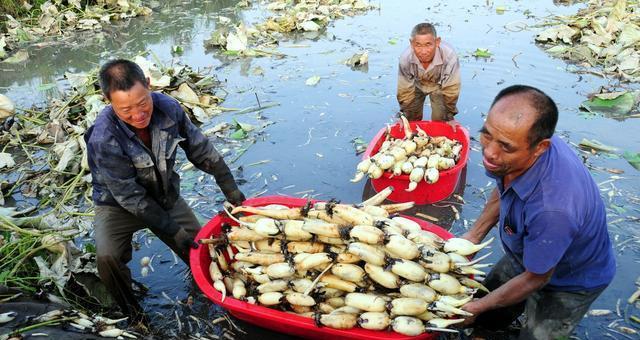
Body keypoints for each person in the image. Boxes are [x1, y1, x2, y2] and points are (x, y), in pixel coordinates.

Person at [85, 59, 245, 325]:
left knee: (203, 251)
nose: (138, 115)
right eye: (126, 110)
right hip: (118, 205)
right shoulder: (103, 137)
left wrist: (232, 191)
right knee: (107, 258)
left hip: (164, 194)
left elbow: (201, 150)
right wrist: (172, 230)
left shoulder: (169, 108)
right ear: (107, 100)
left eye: (142, 103)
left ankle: (216, 297)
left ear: (148, 85)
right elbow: (131, 198)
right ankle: (132, 314)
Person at [460, 85, 616, 339]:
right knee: (488, 310)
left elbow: (536, 278)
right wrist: (474, 235)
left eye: (505, 147)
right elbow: (505, 187)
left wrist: (475, 308)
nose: (489, 152)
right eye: (486, 135)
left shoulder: (554, 209)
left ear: (540, 147)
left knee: (535, 334)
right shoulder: (520, 149)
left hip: (570, 280)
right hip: (528, 250)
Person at [397, 23, 461, 123]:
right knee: (410, 119)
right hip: (416, 84)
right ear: (411, 43)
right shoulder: (406, 58)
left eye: (428, 44)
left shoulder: (449, 56)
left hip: (439, 86)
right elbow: (404, 89)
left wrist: (449, 114)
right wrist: (404, 113)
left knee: (441, 120)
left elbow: (451, 89)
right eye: (418, 45)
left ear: (437, 42)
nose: (423, 51)